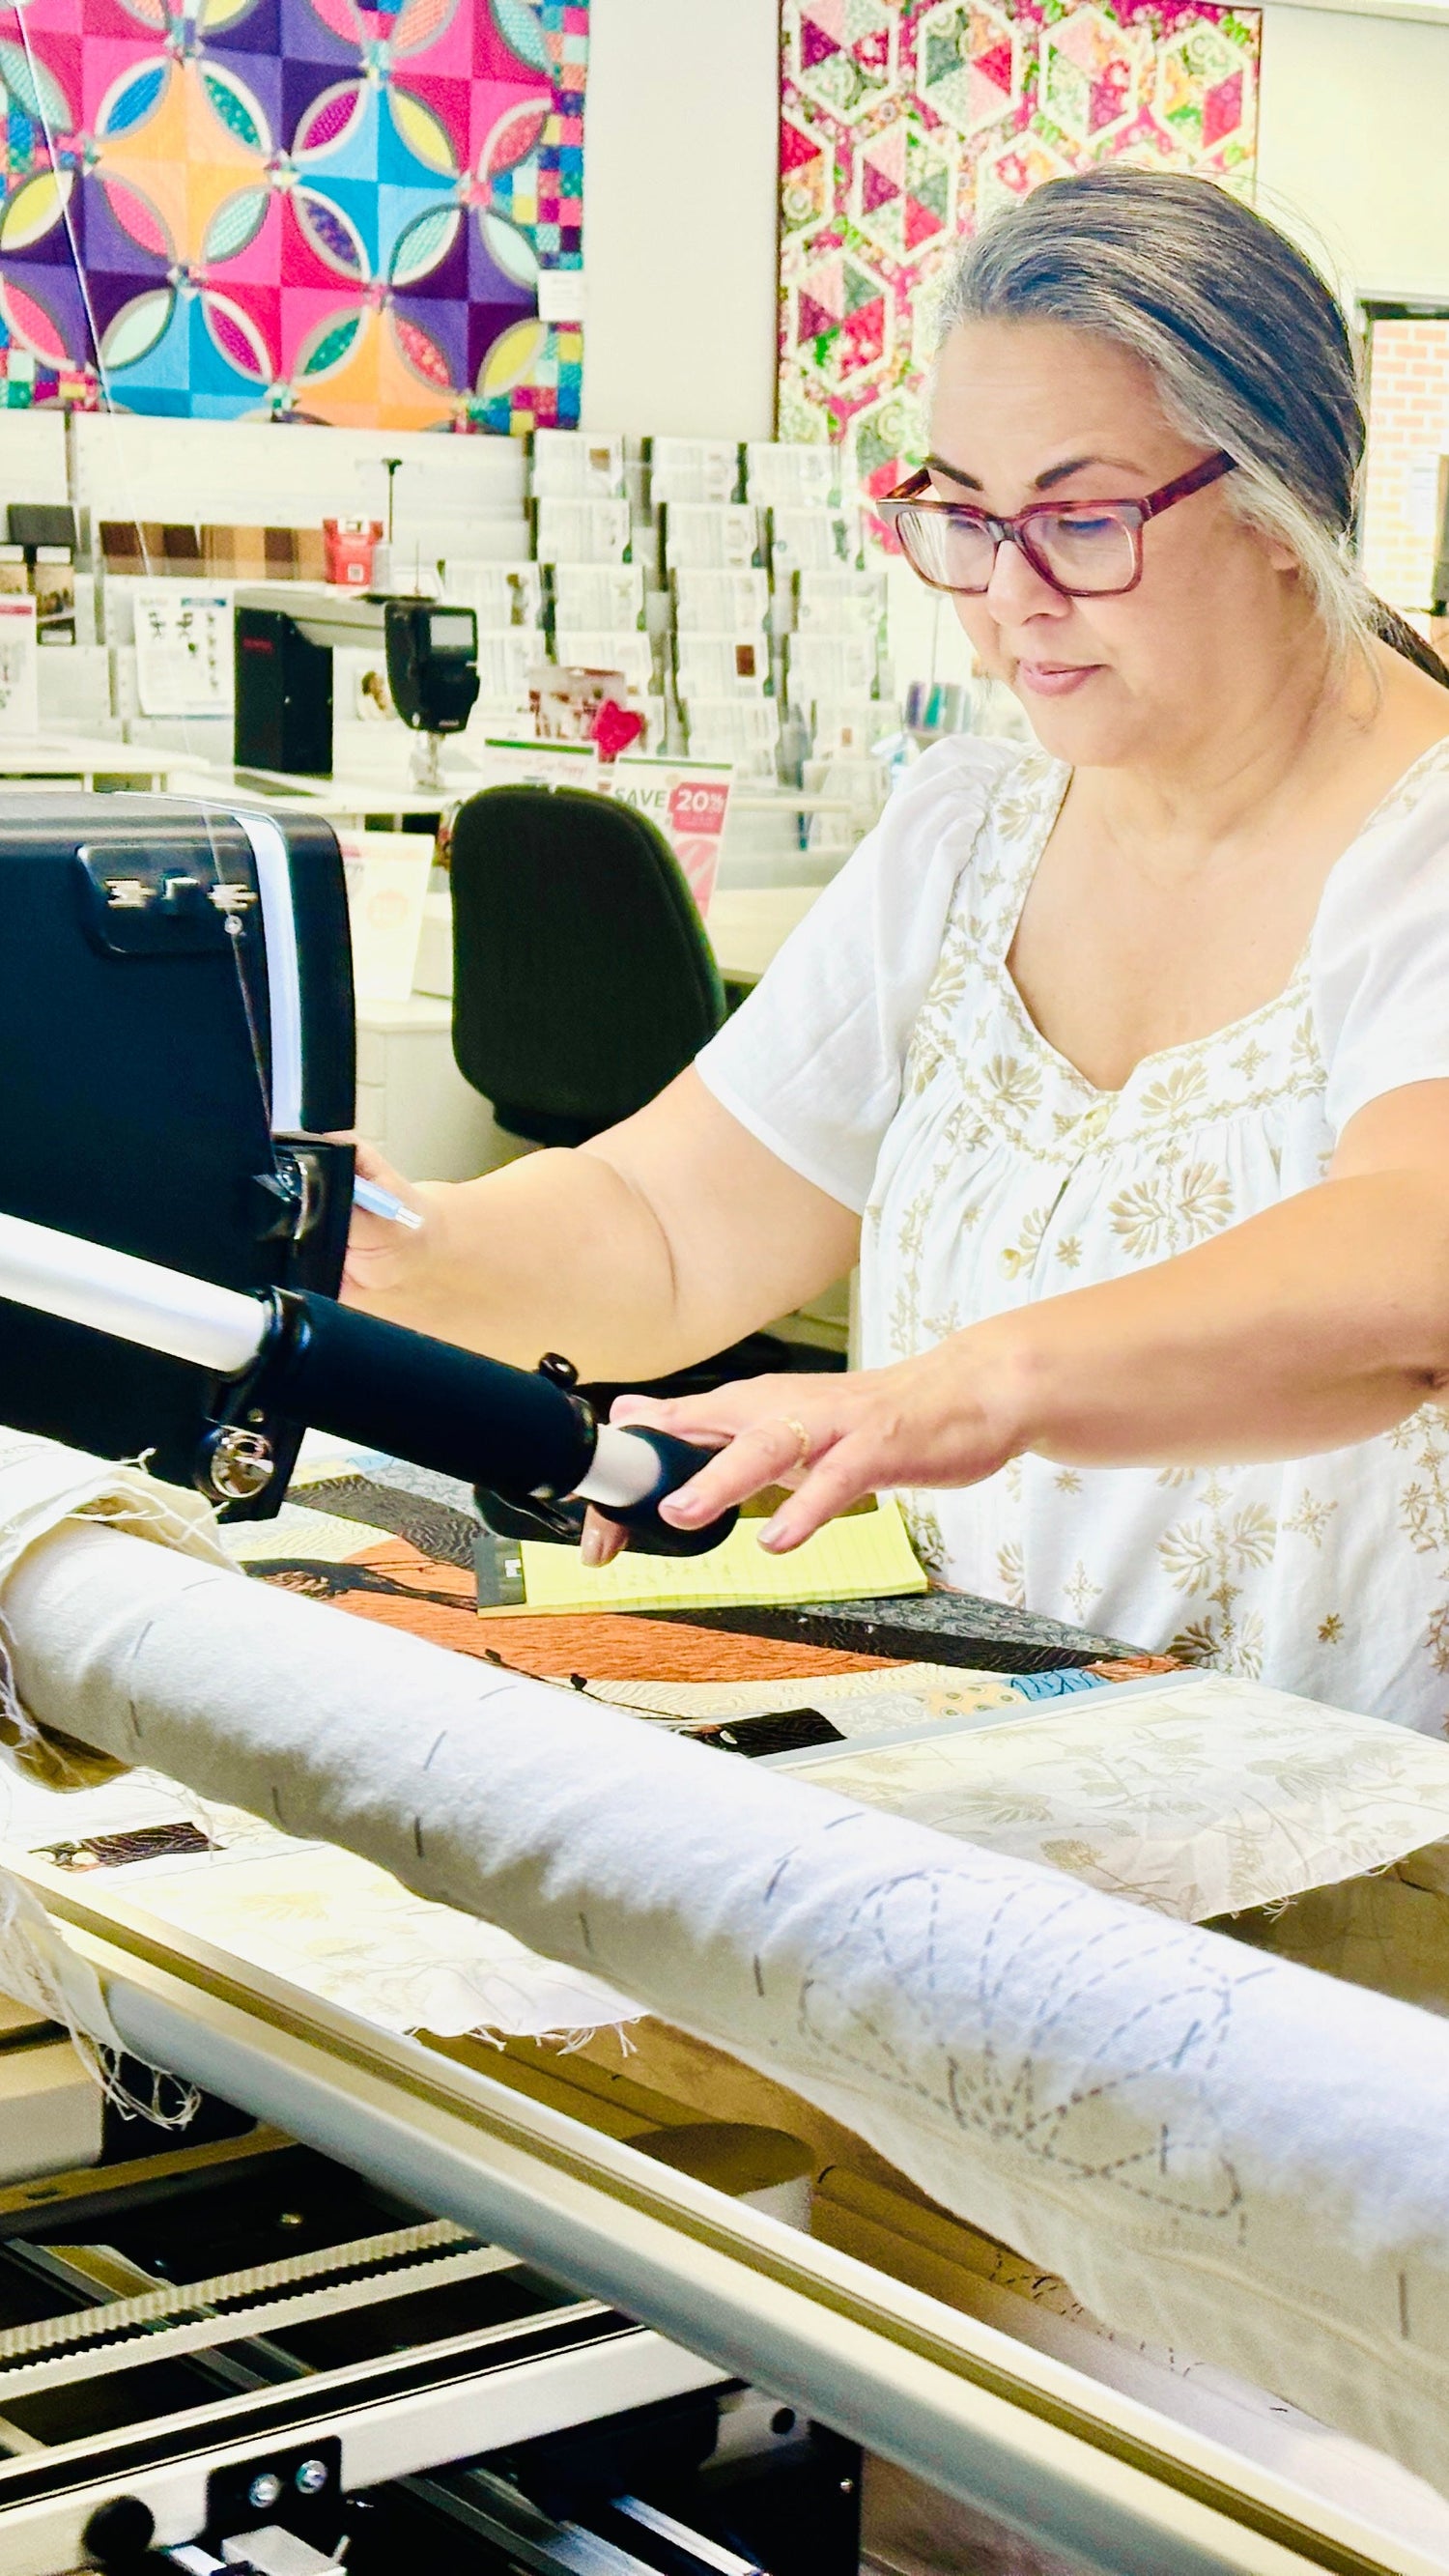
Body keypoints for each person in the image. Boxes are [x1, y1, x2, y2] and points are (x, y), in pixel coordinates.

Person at [345, 169, 1449, 1732]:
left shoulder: (1425, 845)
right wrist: (410, 1244)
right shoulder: (973, 831)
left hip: (1371, 1829)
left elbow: (1415, 1262)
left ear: (1283, 506)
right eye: (964, 517)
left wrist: (956, 1390)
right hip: (1007, 1771)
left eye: (1079, 520)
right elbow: (671, 1228)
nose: (1008, 600)